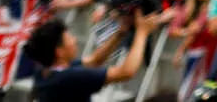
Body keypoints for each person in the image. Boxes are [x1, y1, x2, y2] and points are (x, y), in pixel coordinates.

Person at [24, 12, 162, 102]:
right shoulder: (70, 77)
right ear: (59, 52)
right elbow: (126, 72)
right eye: (69, 38)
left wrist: (120, 32)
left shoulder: (46, 71)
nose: (74, 40)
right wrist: (142, 33)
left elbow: (96, 60)